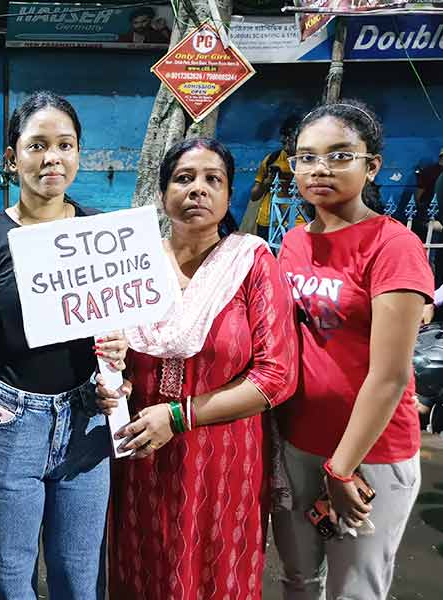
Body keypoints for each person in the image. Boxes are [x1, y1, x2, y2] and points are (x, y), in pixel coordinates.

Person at [0, 90, 127, 600]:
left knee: (79, 574)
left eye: (65, 145)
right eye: (38, 145)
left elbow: (117, 334)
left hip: (86, 420)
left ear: (79, 154)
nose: (53, 158)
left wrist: (119, 359)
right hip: (7, 424)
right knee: (9, 575)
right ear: (12, 157)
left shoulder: (100, 235)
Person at [100, 137, 298, 600]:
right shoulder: (133, 263)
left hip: (223, 459)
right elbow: (109, 350)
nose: (198, 190)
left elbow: (277, 375)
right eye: (184, 179)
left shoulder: (250, 263)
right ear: (163, 190)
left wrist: (179, 416)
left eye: (214, 180)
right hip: (141, 457)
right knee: (142, 568)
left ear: (229, 195)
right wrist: (110, 383)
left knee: (214, 573)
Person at [272, 100, 433, 599]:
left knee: (355, 590)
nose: (320, 168)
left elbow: (389, 377)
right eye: (307, 157)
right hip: (298, 444)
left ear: (372, 165)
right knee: (299, 579)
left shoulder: (394, 246)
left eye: (340, 155)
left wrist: (341, 468)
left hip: (369, 457)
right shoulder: (295, 242)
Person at [249, 115, 301, 241]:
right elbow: (254, 196)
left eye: (290, 142)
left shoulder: (309, 162)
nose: (286, 147)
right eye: (284, 142)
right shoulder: (272, 159)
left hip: (298, 221)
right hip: (268, 220)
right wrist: (268, 181)